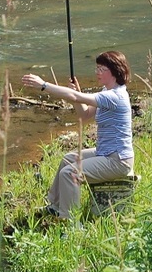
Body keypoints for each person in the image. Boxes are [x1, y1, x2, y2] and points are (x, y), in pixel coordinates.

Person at [21, 50, 134, 219]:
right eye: (97, 68)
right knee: (68, 159)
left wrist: (44, 85)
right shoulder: (106, 91)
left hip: (118, 161)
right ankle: (55, 205)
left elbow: (74, 95)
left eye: (101, 69)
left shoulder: (114, 96)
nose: (97, 72)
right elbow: (85, 115)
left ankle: (71, 221)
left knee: (70, 173)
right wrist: (78, 97)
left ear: (114, 71)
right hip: (106, 153)